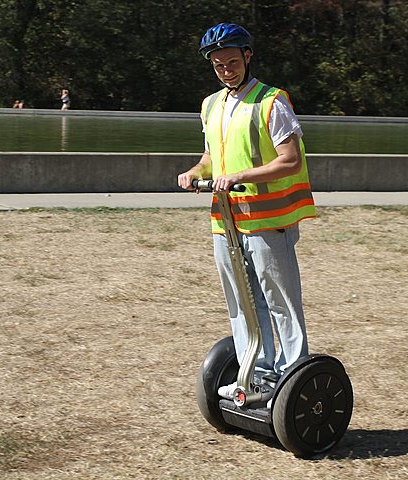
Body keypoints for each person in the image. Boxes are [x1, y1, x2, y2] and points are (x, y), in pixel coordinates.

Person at [177, 23, 316, 402]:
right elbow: (212, 157)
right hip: (227, 221)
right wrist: (195, 172)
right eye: (219, 64)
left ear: (248, 57)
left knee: (280, 302)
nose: (226, 70)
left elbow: (290, 160)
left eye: (233, 62)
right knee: (241, 301)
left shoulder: (272, 102)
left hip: (268, 221)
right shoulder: (211, 105)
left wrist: (240, 176)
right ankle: (255, 375)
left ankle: (291, 382)